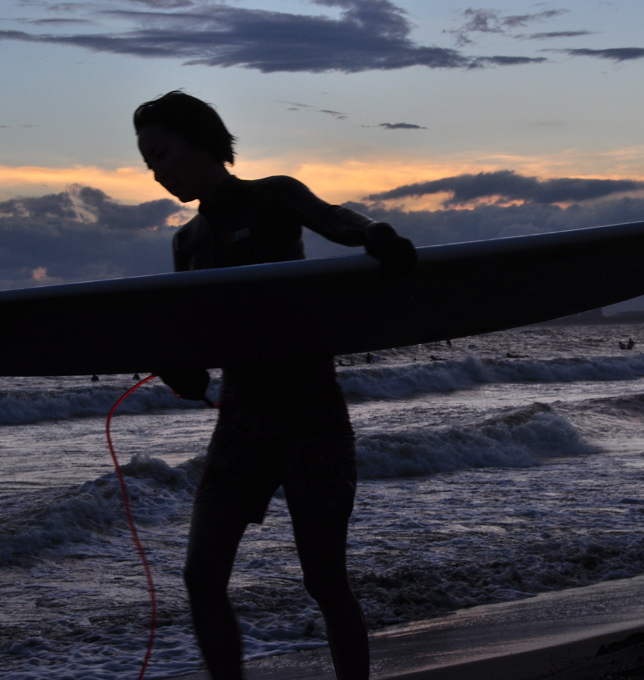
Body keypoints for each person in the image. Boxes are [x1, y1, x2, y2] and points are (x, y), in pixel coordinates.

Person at [133, 90, 416, 680]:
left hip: (309, 411)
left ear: (203, 142)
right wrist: (182, 371)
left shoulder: (273, 197)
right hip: (242, 418)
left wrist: (379, 235)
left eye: (161, 154)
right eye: (148, 163)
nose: (157, 173)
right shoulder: (185, 243)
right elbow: (196, 339)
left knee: (323, 579)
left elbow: (339, 220)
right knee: (200, 576)